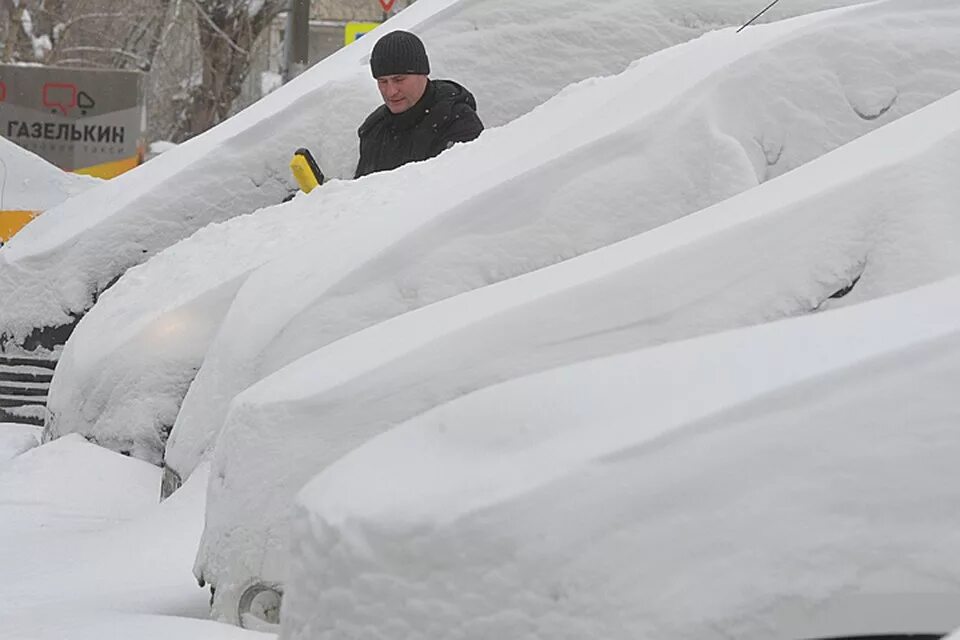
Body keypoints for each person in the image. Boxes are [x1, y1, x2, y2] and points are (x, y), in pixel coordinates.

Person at [355, 30, 484, 178]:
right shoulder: (373, 129)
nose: (390, 92)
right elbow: (361, 193)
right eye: (382, 82)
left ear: (423, 74)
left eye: (399, 80)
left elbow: (463, 189)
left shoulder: (457, 121)